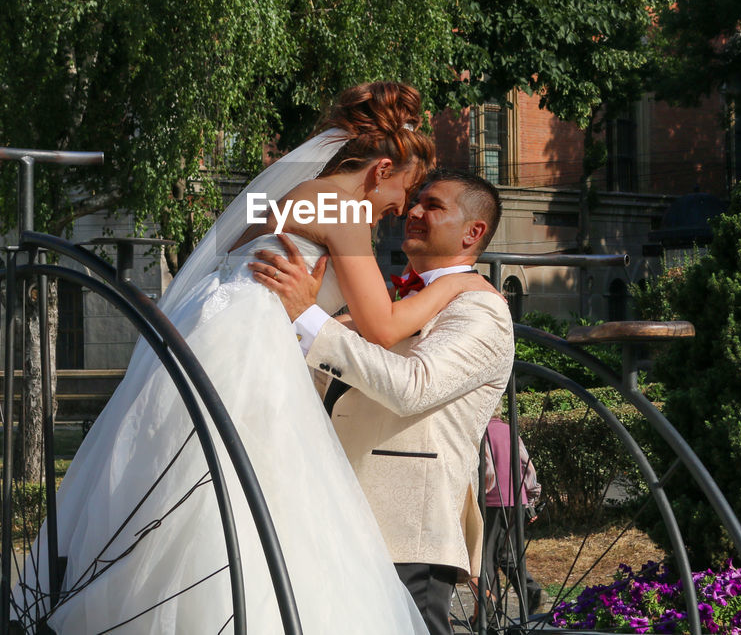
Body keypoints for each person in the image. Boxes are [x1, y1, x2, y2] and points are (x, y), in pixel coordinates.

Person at [27, 83, 490, 634]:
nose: (399, 210)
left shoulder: (282, 193)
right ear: (380, 168)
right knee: (259, 496)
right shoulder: (341, 209)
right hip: (254, 352)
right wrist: (454, 285)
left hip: (208, 334)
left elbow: (225, 248)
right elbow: (383, 328)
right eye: (405, 191)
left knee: (188, 492)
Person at [253, 168, 516, 635]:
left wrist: (311, 319)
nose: (413, 212)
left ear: (474, 232)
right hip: (336, 515)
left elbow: (410, 387)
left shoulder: (482, 309)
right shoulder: (390, 302)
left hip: (405, 526)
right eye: (414, 201)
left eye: (433, 206)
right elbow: (336, 386)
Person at [479, 414, 543, 614]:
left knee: (486, 558)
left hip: (491, 501)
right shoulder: (511, 431)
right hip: (516, 500)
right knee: (508, 554)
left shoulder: (481, 429)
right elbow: (527, 467)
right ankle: (532, 592)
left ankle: (491, 610)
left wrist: (480, 491)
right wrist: (531, 498)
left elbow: (487, 470)